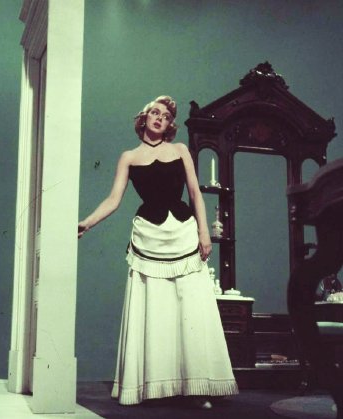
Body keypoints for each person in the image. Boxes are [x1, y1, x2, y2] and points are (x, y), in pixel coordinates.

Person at [78, 95, 238, 408]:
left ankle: (197, 387)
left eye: (165, 116)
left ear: (169, 125)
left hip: (183, 233)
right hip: (149, 237)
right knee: (154, 309)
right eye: (155, 112)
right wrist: (87, 223)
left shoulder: (180, 150)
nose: (159, 118)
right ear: (144, 118)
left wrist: (204, 233)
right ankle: (150, 386)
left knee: (190, 310)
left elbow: (195, 193)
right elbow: (113, 200)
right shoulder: (129, 157)